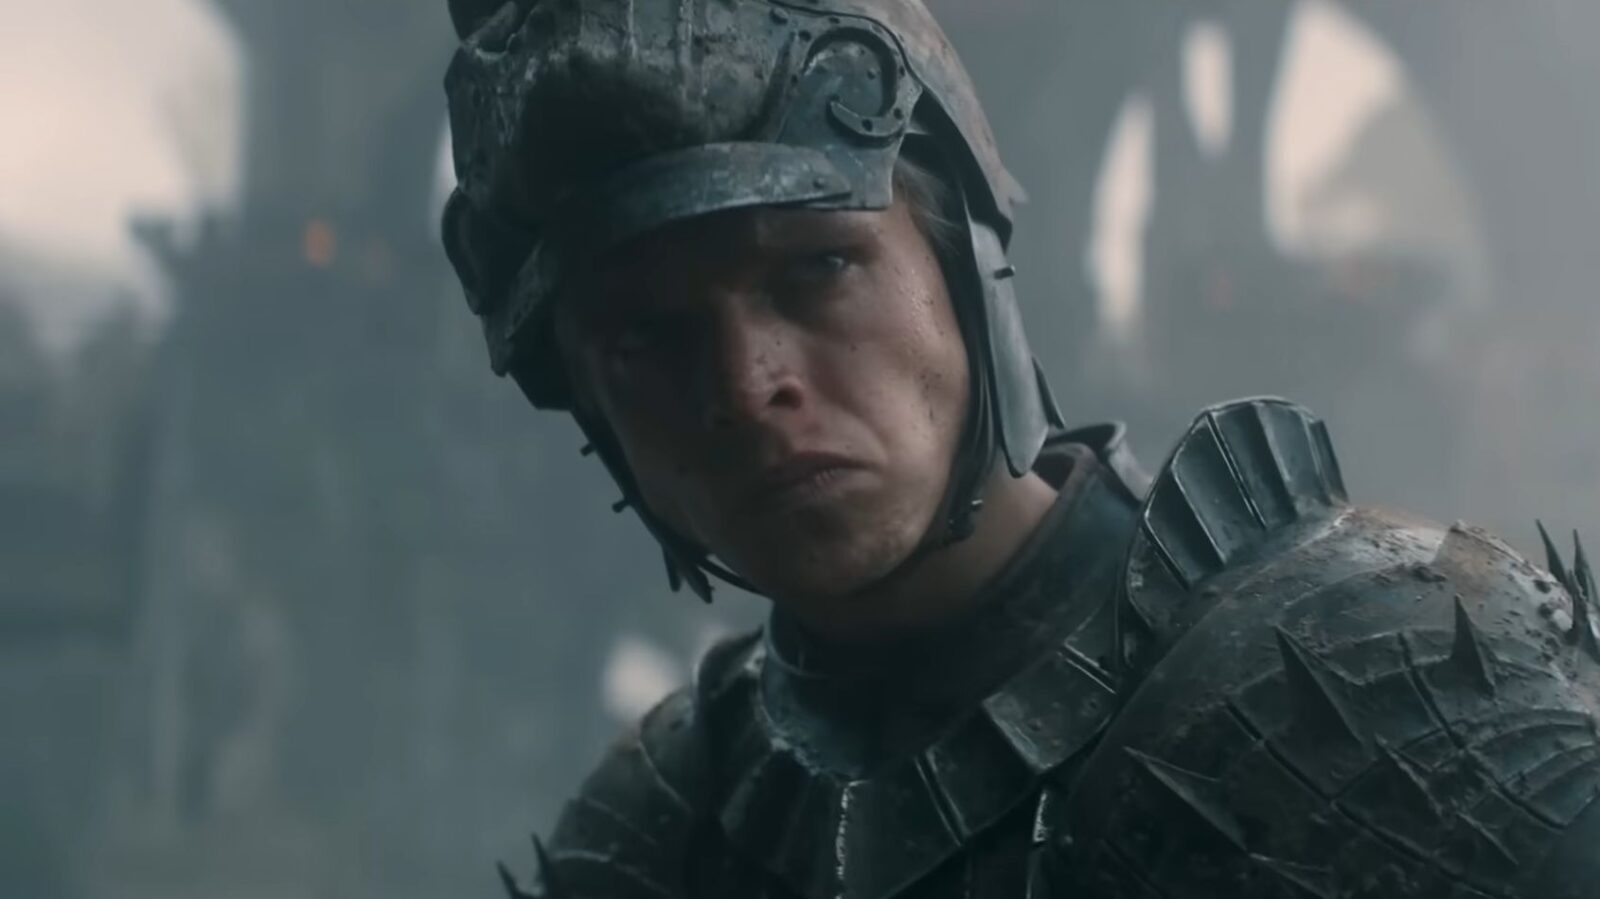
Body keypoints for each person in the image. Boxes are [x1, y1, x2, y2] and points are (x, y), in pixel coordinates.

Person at [438, 1, 1600, 896]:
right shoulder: (655, 839)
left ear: (961, 257)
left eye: (817, 268)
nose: (748, 388)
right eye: (648, 336)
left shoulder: (1380, 679)